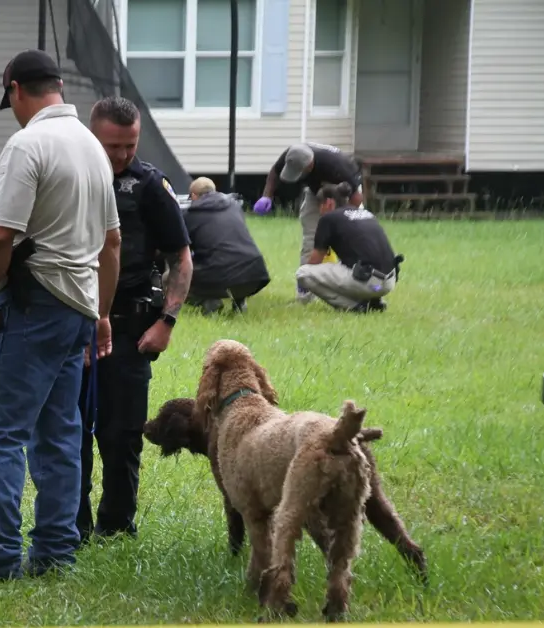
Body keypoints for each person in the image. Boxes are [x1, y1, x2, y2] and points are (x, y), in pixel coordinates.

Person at [0, 49, 121, 580]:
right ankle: (55, 552)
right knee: (60, 435)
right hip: (78, 309)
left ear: (16, 89)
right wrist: (102, 314)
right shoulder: (91, 144)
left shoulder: (28, 144)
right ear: (58, 86)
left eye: (11, 101)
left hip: (34, 301)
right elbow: (111, 243)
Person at [74, 96, 192, 542]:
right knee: (72, 435)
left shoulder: (149, 186)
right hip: (77, 325)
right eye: (112, 146)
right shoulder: (74, 177)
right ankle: (73, 526)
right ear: (92, 136)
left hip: (130, 329)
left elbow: (181, 258)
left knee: (122, 437)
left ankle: (117, 527)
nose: (122, 155)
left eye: (130, 145)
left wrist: (168, 322)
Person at [253, 142, 363, 302]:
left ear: (310, 165)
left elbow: (357, 198)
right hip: (316, 192)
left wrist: (339, 219)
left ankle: (355, 291)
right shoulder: (292, 154)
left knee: (348, 242)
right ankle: (306, 293)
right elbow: (274, 173)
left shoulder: (338, 165)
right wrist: (266, 196)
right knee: (311, 239)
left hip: (345, 193)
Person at [296, 182, 400, 312]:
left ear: (328, 203)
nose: (319, 211)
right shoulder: (366, 213)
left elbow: (315, 262)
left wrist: (304, 287)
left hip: (368, 282)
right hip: (388, 283)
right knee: (343, 265)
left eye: (319, 206)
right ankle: (373, 301)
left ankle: (353, 306)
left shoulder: (328, 218)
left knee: (303, 273)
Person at [183, 177, 270, 315]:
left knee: (171, 277)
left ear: (194, 195)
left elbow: (183, 251)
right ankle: (239, 302)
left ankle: (208, 300)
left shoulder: (190, 215)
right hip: (255, 273)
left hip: (220, 277)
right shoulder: (235, 207)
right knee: (229, 258)